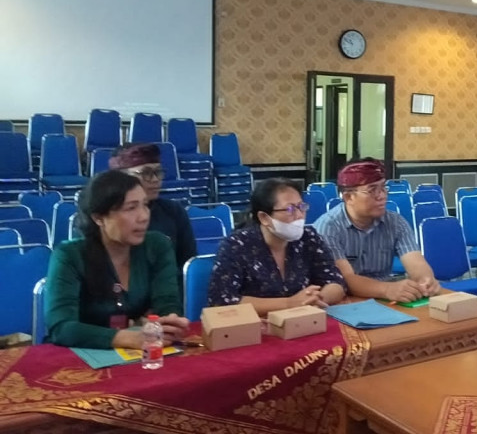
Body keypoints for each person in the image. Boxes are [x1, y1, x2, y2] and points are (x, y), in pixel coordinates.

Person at [44, 170, 189, 349]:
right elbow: (61, 327)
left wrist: (170, 322)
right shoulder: (69, 255)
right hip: (78, 356)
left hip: (142, 353)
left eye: (145, 205)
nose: (143, 217)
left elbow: (167, 303)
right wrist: (127, 338)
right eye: (131, 208)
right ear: (99, 218)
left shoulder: (157, 245)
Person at [206, 178, 346, 314]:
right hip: (255, 326)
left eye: (301, 207)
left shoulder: (309, 238)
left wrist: (315, 300)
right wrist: (289, 303)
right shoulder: (236, 245)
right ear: (264, 218)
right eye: (290, 209)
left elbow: (336, 282)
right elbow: (222, 300)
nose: (299, 215)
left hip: (303, 319)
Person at [314, 159, 442, 303]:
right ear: (349, 197)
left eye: (383, 188)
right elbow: (346, 279)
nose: (382, 196)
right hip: (344, 301)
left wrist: (426, 281)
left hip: (385, 298)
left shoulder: (395, 222)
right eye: (372, 190)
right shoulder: (328, 228)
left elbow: (415, 263)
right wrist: (388, 289)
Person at [109, 144, 196, 292]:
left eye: (158, 172)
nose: (155, 180)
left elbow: (187, 265)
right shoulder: (105, 215)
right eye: (146, 173)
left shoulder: (173, 211)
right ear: (122, 177)